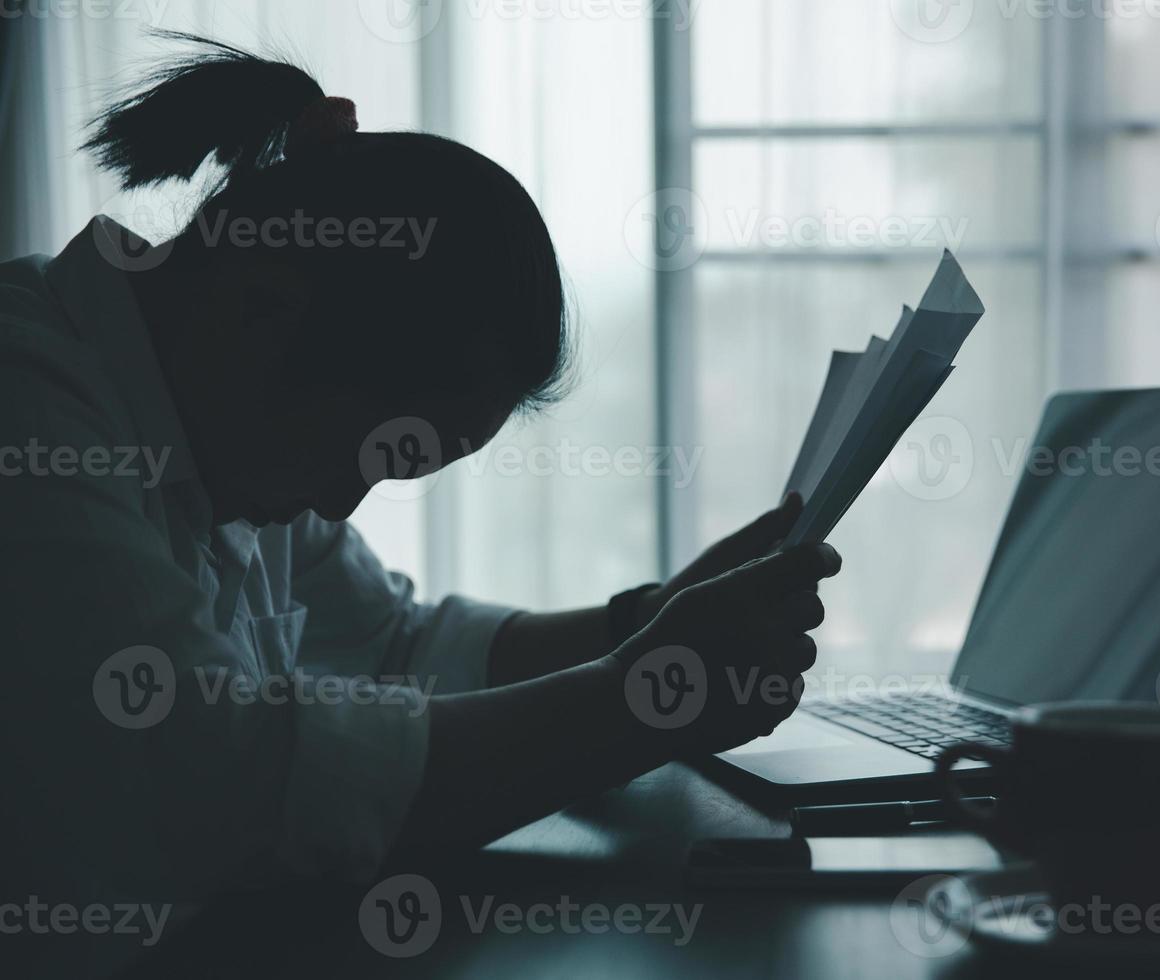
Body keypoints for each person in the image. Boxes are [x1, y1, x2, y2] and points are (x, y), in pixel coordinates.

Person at [0, 34, 839, 905]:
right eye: (366, 450)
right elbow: (221, 783)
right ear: (261, 309)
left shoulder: (229, 426)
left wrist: (645, 620)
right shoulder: (27, 411)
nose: (339, 499)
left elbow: (394, 647)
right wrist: (647, 697)